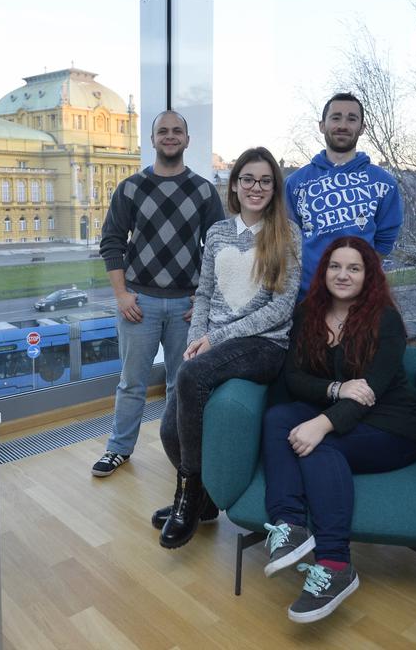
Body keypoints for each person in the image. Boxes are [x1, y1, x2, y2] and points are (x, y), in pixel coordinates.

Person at [261, 236, 416, 623]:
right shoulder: (308, 313)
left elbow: (370, 392)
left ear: (369, 275)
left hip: (392, 426)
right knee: (278, 417)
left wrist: (320, 425)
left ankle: (335, 565)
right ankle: (289, 525)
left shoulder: (385, 320)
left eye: (354, 268)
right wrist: (336, 389)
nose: (343, 275)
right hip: (338, 410)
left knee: (319, 447)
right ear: (324, 271)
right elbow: (295, 378)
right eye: (335, 266)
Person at [155, 146, 302, 549]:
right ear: (234, 185)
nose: (256, 187)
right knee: (168, 431)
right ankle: (203, 502)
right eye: (248, 179)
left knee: (191, 375)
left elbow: (281, 308)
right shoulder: (218, 232)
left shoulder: (287, 235)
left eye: (265, 180)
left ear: (274, 188)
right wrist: (194, 341)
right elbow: (203, 294)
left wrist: (216, 339)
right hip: (213, 342)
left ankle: (187, 497)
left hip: (263, 344)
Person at [94, 110, 225, 477]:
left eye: (177, 131)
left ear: (187, 140)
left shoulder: (204, 191)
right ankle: (118, 449)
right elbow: (112, 242)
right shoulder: (130, 188)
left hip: (187, 307)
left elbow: (219, 249)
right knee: (131, 383)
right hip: (139, 303)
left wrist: (204, 299)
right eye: (162, 131)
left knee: (180, 386)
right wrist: (121, 295)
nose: (170, 136)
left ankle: (181, 454)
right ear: (152, 140)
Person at [284, 93, 404, 298]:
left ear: (362, 128)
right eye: (336, 117)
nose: (343, 125)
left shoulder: (384, 183)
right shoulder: (295, 183)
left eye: (351, 119)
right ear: (322, 125)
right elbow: (289, 242)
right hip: (308, 299)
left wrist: (356, 279)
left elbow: (384, 242)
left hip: (361, 300)